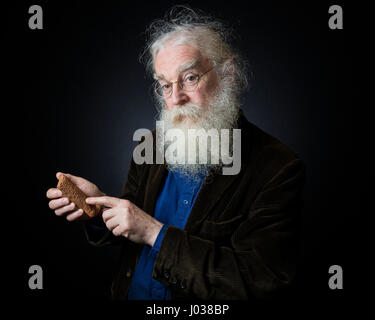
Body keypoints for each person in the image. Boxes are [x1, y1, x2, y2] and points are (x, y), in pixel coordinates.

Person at [46, 6, 305, 300]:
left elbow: (260, 280)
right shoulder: (152, 145)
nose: (176, 97)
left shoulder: (278, 168)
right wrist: (98, 209)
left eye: (190, 78)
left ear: (227, 74)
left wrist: (155, 233)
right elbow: (132, 222)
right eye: (165, 85)